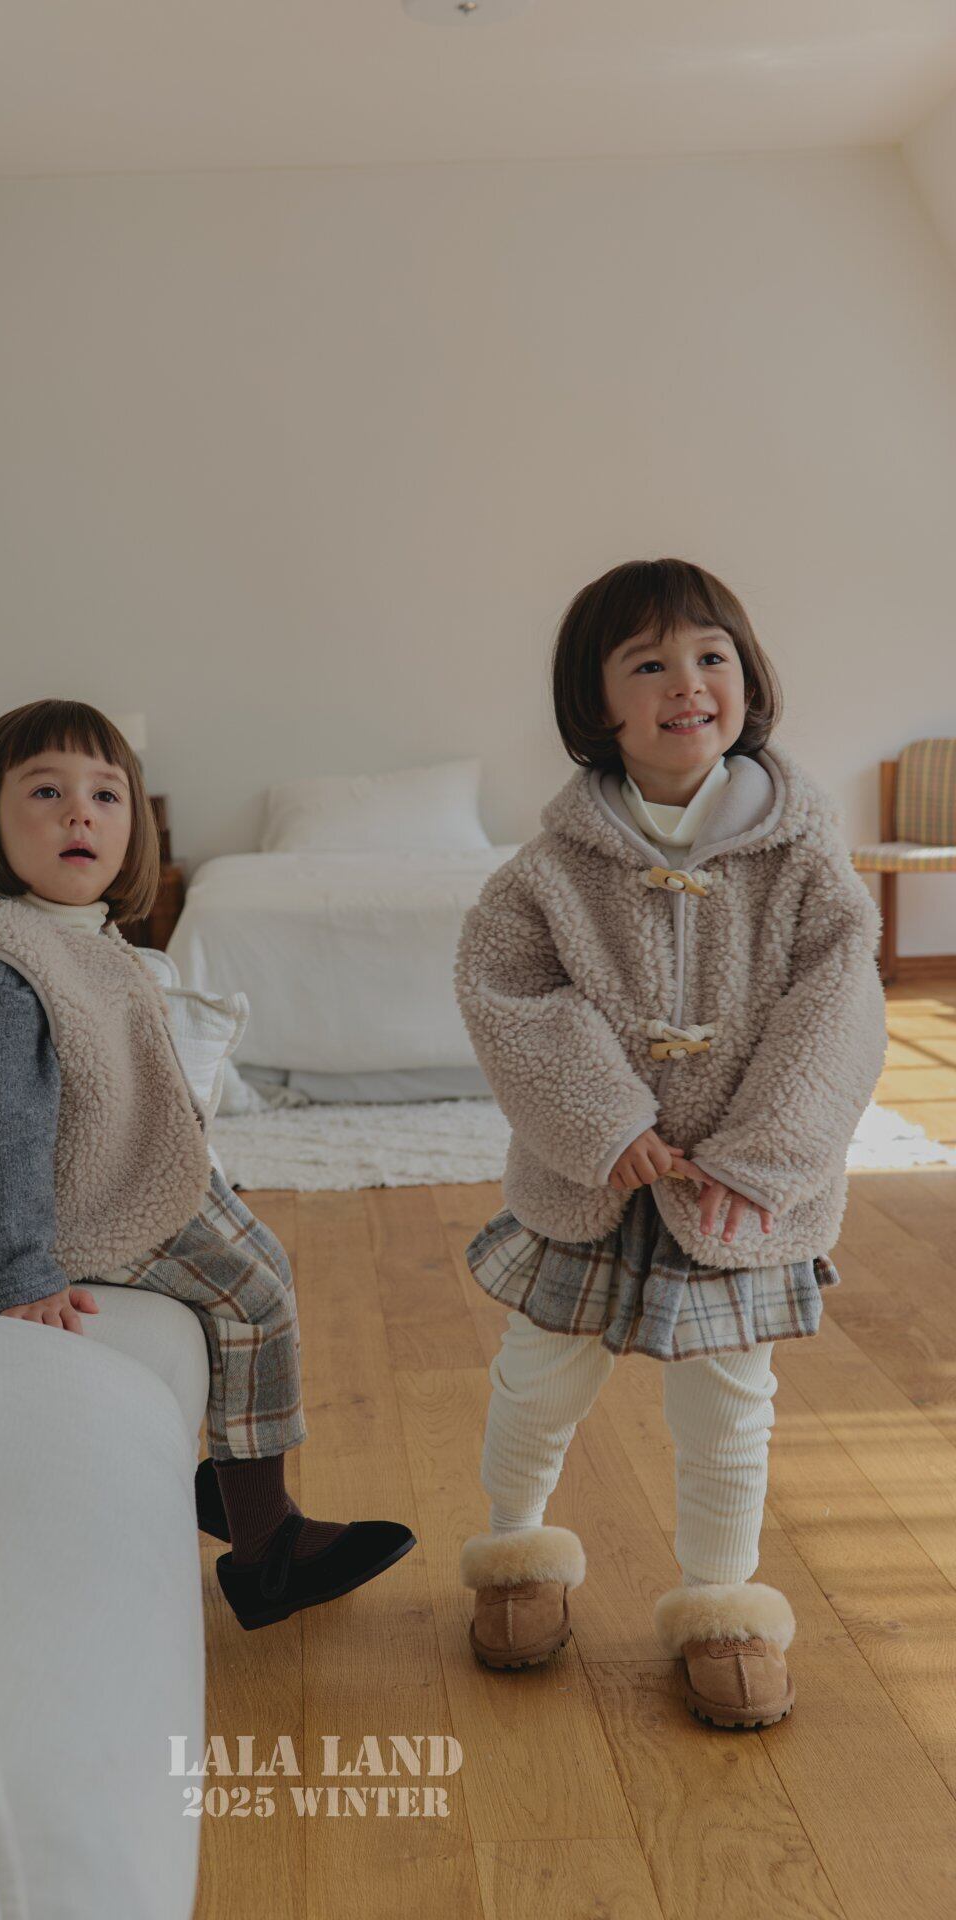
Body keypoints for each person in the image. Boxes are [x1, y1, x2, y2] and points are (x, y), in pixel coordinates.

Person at [0, 697, 414, 1630]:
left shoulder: (66, 933)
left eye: (106, 795)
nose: (79, 813)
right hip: (56, 1208)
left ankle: (231, 1482)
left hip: (95, 1171)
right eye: (46, 791)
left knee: (246, 1245)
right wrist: (21, 1273)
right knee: (255, 1286)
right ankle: (266, 1547)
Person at [453, 558, 887, 1728]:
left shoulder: (800, 855)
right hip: (591, 1184)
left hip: (735, 1192)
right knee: (538, 1378)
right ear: (596, 704)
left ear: (746, 679)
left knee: (727, 1404)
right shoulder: (549, 870)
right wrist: (603, 1123)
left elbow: (837, 1006)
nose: (685, 684)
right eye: (646, 664)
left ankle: (721, 1604)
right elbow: (507, 993)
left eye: (709, 657)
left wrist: (765, 1155)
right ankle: (514, 1553)